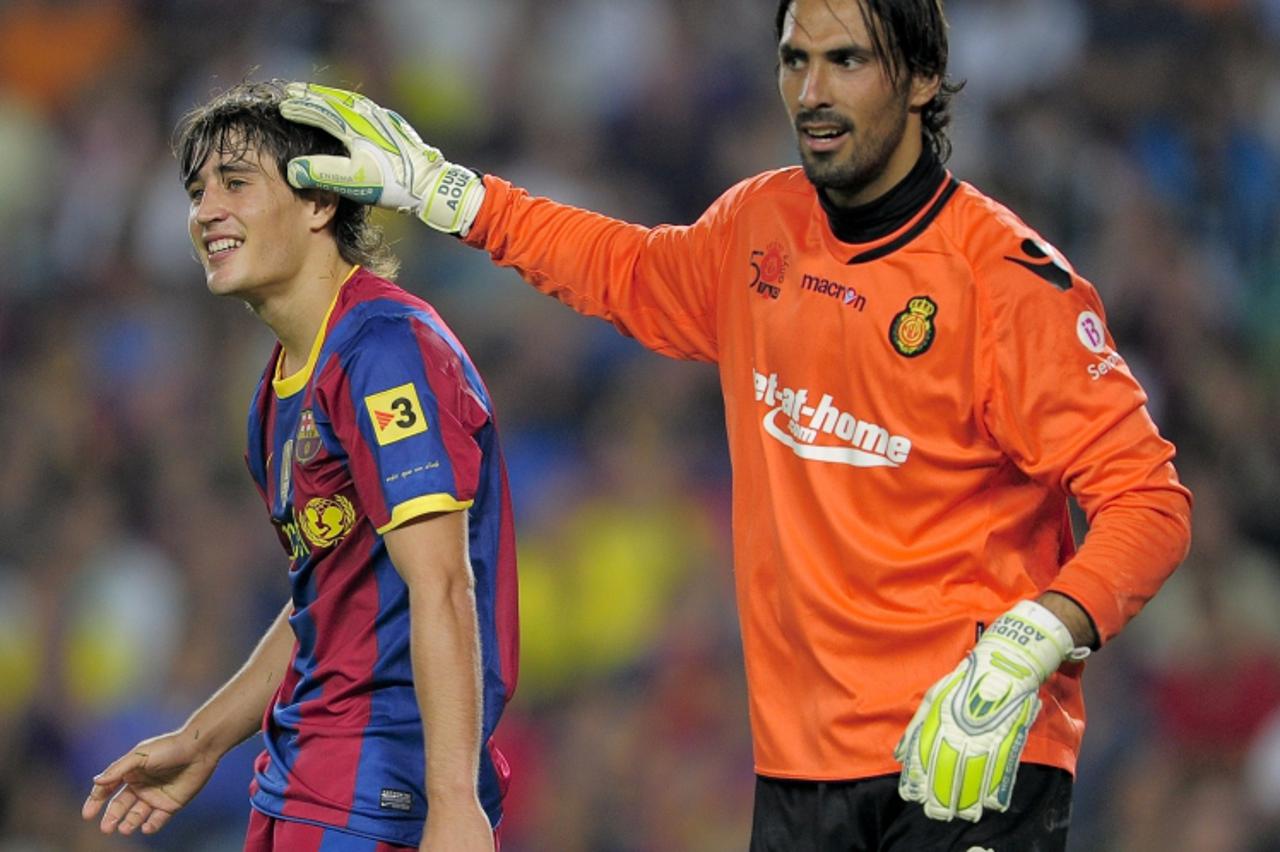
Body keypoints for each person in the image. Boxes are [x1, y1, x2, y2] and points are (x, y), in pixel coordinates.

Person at [279, 0, 1192, 847]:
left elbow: (1149, 503)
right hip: (798, 768)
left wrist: (1032, 642)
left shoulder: (1005, 283)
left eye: (847, 61)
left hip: (969, 751)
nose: (812, 91)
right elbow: (625, 268)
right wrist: (454, 196)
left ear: (921, 79)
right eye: (795, 60)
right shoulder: (764, 225)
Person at [80, 80, 518, 852]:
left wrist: (454, 802)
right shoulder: (274, 395)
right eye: (196, 190)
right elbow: (327, 597)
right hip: (302, 778)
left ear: (319, 203)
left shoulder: (385, 349)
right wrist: (206, 737)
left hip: (382, 788)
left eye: (235, 183)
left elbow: (443, 581)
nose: (205, 209)